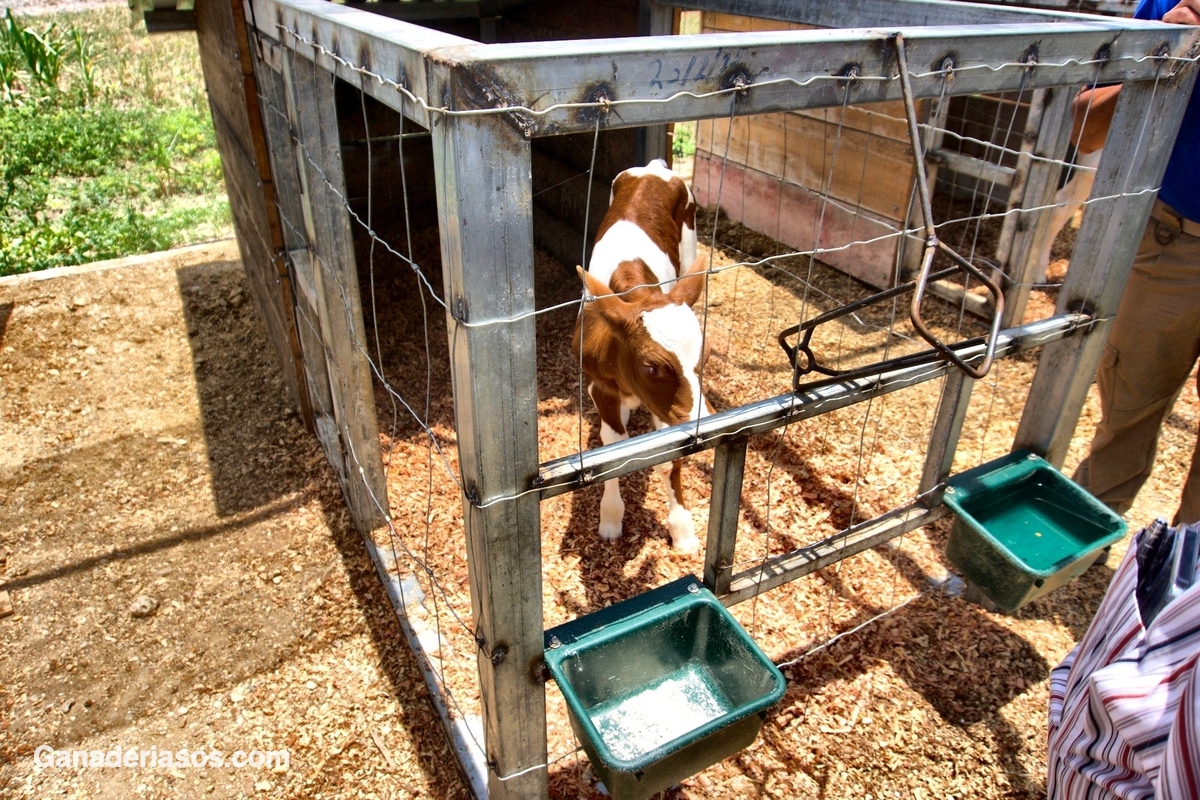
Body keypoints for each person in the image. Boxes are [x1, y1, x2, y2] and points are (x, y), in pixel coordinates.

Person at [1070, 0, 1200, 526]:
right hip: (1172, 242)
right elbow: (1086, 126)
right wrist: (1167, 57)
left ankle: (1183, 589)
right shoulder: (1170, 7)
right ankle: (1080, 536)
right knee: (1127, 407)